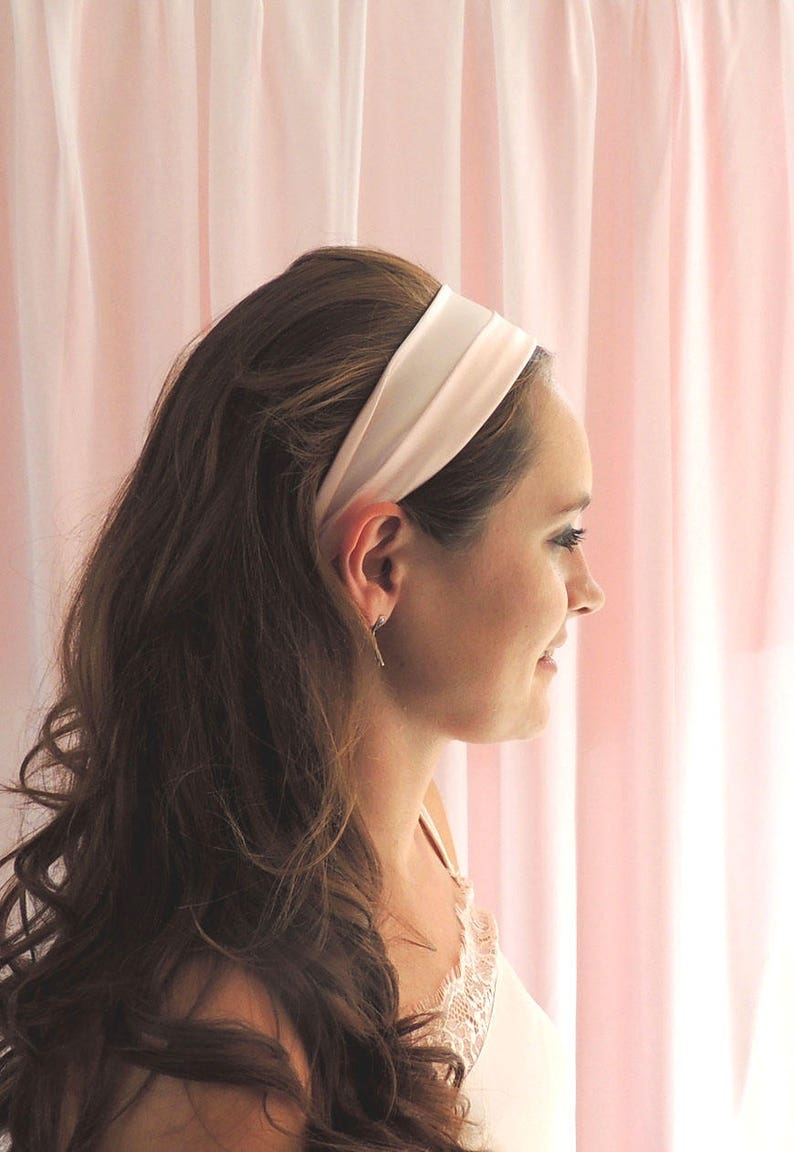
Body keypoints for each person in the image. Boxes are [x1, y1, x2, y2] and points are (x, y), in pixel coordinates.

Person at [0, 245, 605, 1151]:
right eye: (562, 535)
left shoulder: (408, 826)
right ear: (380, 563)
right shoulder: (234, 1053)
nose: (588, 587)